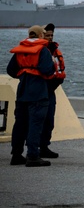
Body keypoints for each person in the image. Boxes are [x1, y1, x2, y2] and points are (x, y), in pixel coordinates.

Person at [7, 25, 55, 167]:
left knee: (20, 124)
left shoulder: (20, 50)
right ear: (41, 35)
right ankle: (33, 156)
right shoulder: (43, 50)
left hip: (22, 91)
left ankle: (16, 155)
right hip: (38, 91)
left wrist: (23, 74)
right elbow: (47, 70)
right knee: (35, 124)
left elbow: (10, 70)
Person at [39, 24, 65, 160]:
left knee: (49, 120)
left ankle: (44, 146)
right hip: (39, 90)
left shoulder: (54, 50)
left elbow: (60, 69)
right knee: (37, 121)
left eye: (51, 36)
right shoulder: (38, 50)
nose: (49, 38)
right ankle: (33, 148)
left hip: (50, 90)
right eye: (47, 35)